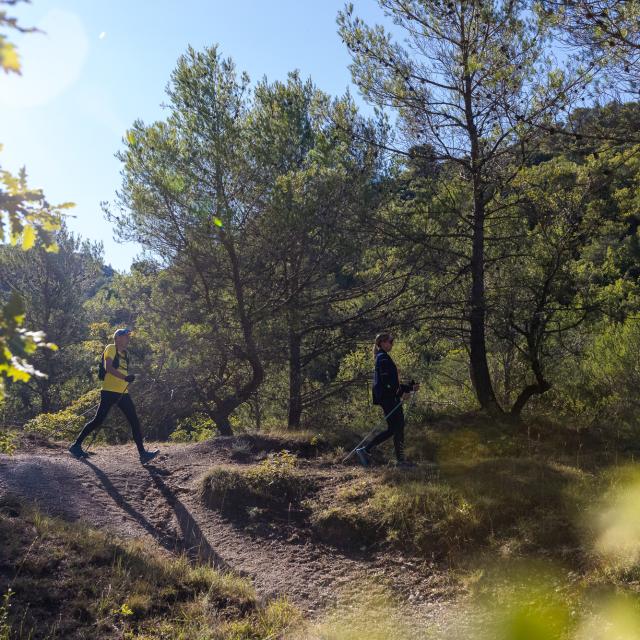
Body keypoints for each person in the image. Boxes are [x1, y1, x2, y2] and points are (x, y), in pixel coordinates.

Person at [69, 328, 159, 464]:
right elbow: (108, 368)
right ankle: (76, 446)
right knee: (98, 420)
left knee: (134, 421)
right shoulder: (111, 348)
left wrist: (128, 380)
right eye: (125, 336)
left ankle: (143, 454)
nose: (128, 339)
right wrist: (125, 377)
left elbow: (123, 374)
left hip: (123, 393)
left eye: (128, 337)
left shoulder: (126, 354)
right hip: (109, 391)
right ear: (117, 338)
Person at [356, 333, 419, 468]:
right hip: (388, 398)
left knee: (393, 429)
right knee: (398, 427)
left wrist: (409, 388)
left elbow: (392, 383)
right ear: (383, 342)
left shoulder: (383, 357)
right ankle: (401, 461)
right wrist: (402, 392)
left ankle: (365, 450)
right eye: (391, 341)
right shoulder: (383, 358)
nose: (392, 344)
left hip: (389, 397)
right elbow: (387, 383)